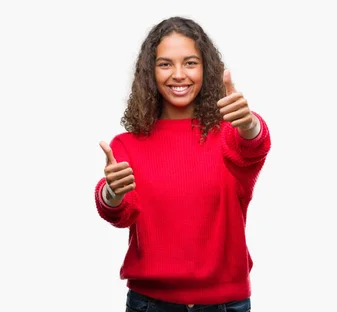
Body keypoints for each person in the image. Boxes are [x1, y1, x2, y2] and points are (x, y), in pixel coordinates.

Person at [94, 16, 271, 312]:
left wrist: (249, 123)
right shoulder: (127, 144)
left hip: (225, 304)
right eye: (165, 64)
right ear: (150, 72)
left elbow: (253, 147)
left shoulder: (230, 135)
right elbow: (119, 210)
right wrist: (111, 193)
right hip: (150, 304)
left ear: (206, 69)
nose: (178, 74)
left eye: (190, 63)